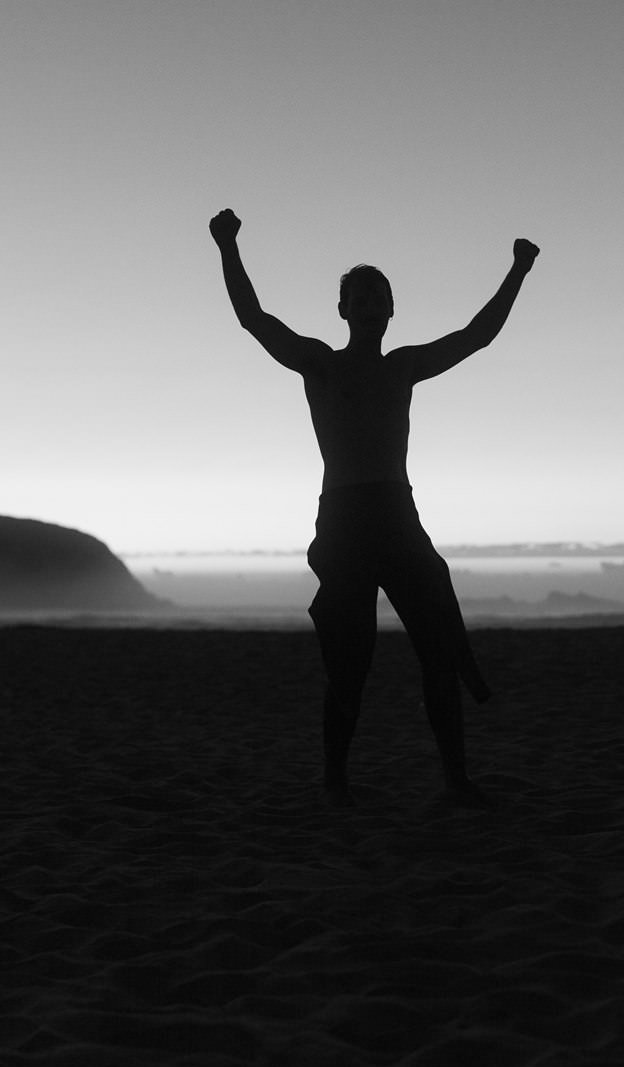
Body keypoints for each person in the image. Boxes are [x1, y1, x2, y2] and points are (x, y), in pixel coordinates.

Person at [209, 207, 537, 809]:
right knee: (349, 661)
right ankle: (335, 781)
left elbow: (477, 336)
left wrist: (518, 270)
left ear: (390, 310)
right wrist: (227, 246)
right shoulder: (321, 363)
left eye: (378, 293)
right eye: (357, 293)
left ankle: (456, 779)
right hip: (343, 522)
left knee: (436, 648)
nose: (368, 300)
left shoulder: (405, 366)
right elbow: (254, 319)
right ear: (343, 310)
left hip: (397, 515)